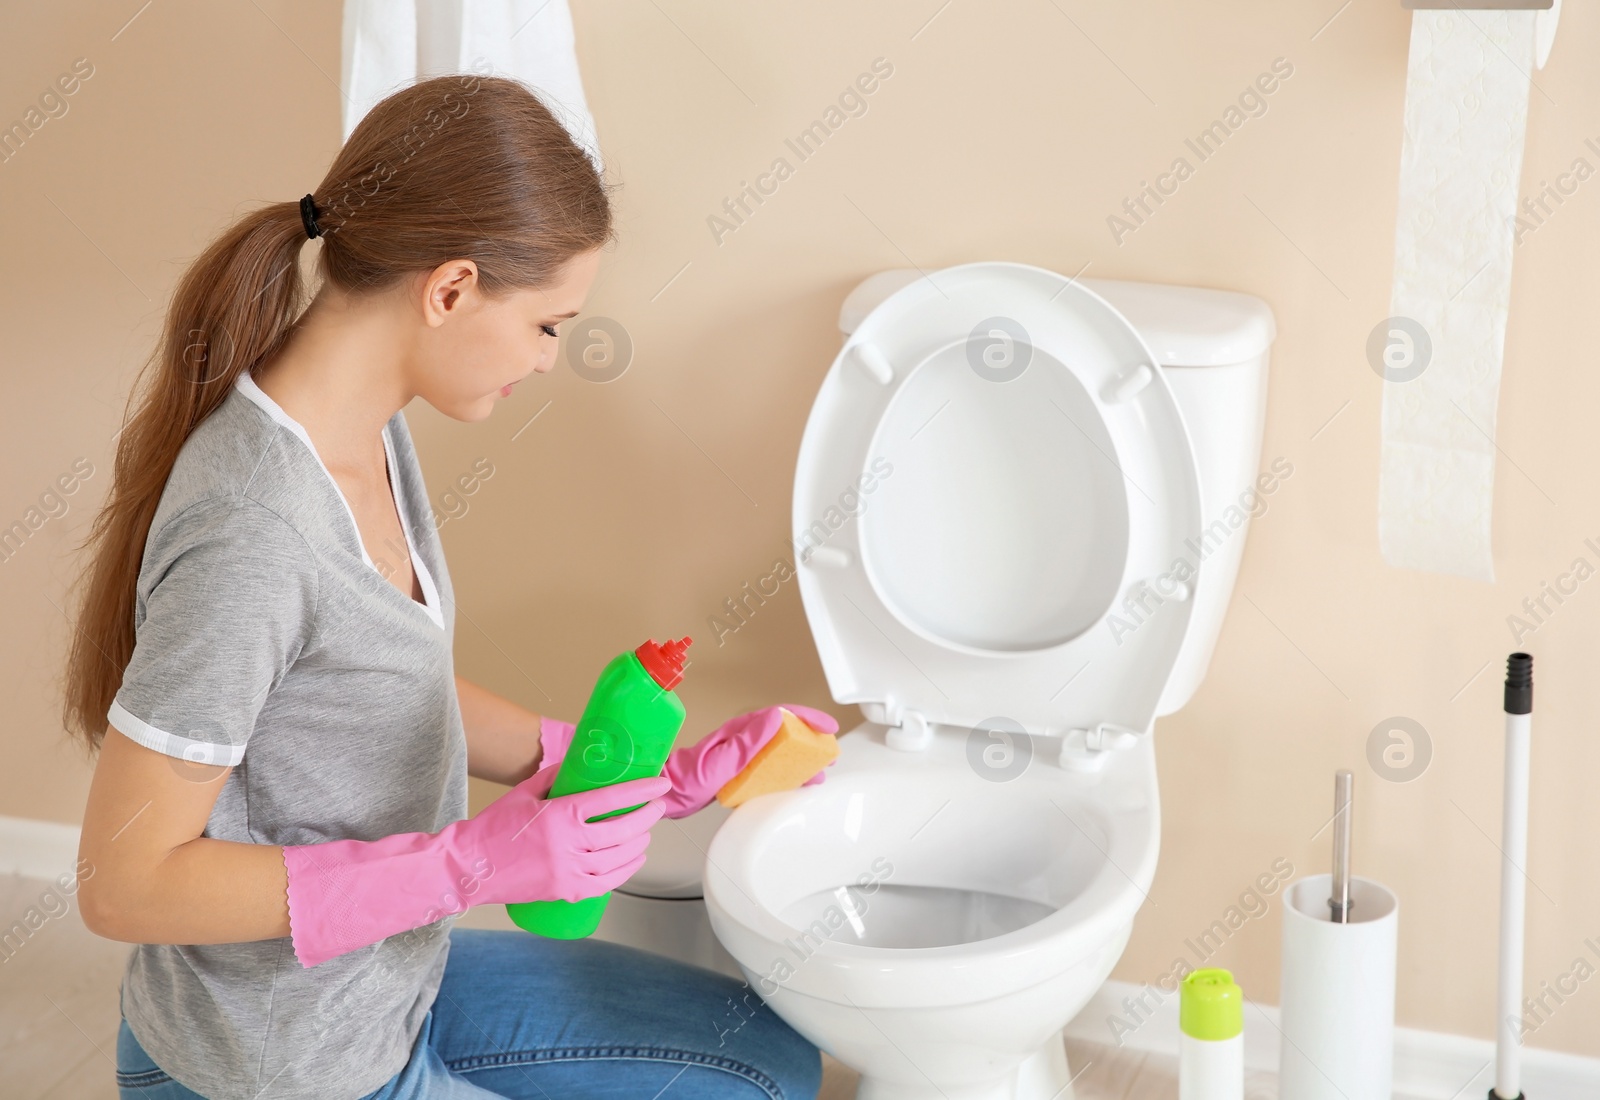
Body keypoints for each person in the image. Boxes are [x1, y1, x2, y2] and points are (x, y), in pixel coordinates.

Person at [61, 73, 832, 1100]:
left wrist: (628, 769)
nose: (552, 358)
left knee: (766, 1062)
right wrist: (470, 863)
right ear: (452, 287)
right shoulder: (251, 533)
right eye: (549, 323)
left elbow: (372, 686)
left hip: (390, 990)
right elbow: (124, 882)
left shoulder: (361, 427)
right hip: (281, 1068)